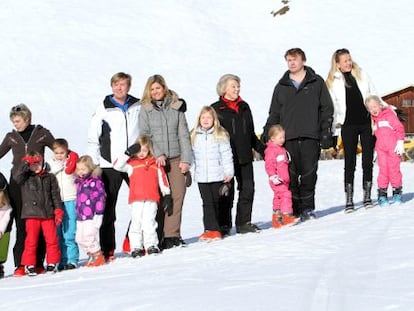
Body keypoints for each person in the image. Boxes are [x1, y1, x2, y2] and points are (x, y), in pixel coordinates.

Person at [262, 48, 334, 221]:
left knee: (309, 174)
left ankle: (308, 209)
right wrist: (267, 132)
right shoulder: (282, 86)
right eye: (289, 60)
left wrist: (325, 132)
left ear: (303, 60)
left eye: (295, 59)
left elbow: (326, 109)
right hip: (288, 138)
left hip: (311, 135)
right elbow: (274, 113)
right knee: (290, 176)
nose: (291, 63)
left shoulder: (316, 82)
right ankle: (292, 209)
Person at [87, 72, 140, 261]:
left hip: (133, 161)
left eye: (123, 85)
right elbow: (94, 138)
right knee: (108, 208)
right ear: (112, 87)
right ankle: (108, 249)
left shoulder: (137, 104)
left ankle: (132, 240)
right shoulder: (103, 108)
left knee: (142, 202)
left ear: (129, 86)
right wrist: (95, 165)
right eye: (116, 85)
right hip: (109, 164)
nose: (120, 88)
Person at [0, 104, 55, 276]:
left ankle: (38, 262)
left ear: (27, 119)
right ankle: (21, 264)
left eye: (18, 121)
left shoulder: (42, 133)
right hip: (17, 183)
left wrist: (49, 166)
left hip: (38, 183)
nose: (15, 124)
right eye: (13, 122)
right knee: (21, 223)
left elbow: (59, 150)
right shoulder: (11, 137)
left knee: (39, 221)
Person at [139, 74, 192, 249]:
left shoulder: (176, 107)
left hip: (176, 157)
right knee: (159, 198)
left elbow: (183, 134)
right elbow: (145, 135)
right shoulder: (145, 109)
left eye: (158, 88)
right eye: (152, 89)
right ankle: (157, 236)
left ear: (164, 88)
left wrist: (186, 159)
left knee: (178, 195)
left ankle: (172, 236)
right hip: (156, 161)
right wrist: (158, 153)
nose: (155, 92)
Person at [326, 48, 379, 213]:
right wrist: (333, 132)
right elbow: (332, 108)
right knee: (350, 162)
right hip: (348, 124)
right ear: (338, 64)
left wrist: (386, 110)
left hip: (365, 123)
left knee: (367, 160)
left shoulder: (361, 74)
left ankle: (367, 195)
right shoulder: (332, 82)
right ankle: (349, 199)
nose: (348, 63)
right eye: (345, 61)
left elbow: (374, 95)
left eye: (349, 59)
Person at [211, 74, 265, 234]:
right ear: (224, 88)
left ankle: (243, 223)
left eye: (238, 86)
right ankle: (224, 225)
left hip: (245, 156)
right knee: (226, 192)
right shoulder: (216, 109)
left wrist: (264, 150)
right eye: (233, 86)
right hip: (226, 159)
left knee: (248, 189)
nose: (237, 89)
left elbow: (251, 134)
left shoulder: (244, 106)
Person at [113, 136, 171, 257]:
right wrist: (127, 153)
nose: (141, 154)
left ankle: (151, 245)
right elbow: (117, 165)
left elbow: (163, 179)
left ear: (149, 150)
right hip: (136, 199)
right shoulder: (131, 165)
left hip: (152, 198)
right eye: (138, 151)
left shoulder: (155, 163)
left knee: (149, 222)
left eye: (144, 150)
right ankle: (136, 247)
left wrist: (167, 195)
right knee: (136, 223)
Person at [14, 152, 63, 276]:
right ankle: (29, 264)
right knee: (31, 240)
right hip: (32, 214)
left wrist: (58, 210)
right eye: (33, 164)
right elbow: (17, 177)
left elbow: (55, 195)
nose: (36, 167)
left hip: (48, 214)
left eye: (38, 163)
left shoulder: (50, 177)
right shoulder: (25, 178)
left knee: (52, 239)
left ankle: (52, 262)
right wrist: (26, 162)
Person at [190, 106, 234, 241]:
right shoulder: (194, 135)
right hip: (202, 176)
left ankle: (216, 229)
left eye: (209, 117)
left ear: (214, 119)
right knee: (207, 203)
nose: (206, 120)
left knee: (216, 202)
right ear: (199, 119)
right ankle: (209, 229)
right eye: (203, 117)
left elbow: (226, 155)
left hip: (217, 175)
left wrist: (228, 172)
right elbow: (191, 155)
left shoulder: (220, 134)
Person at [365, 95, 405, 206]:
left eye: (374, 106)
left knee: (394, 170)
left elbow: (399, 128)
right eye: (370, 108)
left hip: (393, 148)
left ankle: (397, 192)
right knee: (383, 172)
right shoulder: (373, 120)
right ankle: (382, 195)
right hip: (381, 150)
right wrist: (376, 151)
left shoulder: (389, 115)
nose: (373, 110)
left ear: (380, 105)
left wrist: (400, 141)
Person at [47, 138, 79, 270]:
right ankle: (61, 260)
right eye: (57, 153)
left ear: (67, 152)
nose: (59, 156)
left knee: (70, 231)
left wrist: (72, 159)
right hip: (56, 202)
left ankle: (72, 259)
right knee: (58, 232)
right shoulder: (50, 165)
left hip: (71, 199)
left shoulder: (71, 163)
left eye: (62, 153)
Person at [75, 155, 107, 267]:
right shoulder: (79, 182)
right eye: (78, 169)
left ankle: (98, 255)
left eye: (83, 169)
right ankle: (91, 253)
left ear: (90, 168)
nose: (80, 172)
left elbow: (100, 198)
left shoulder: (95, 181)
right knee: (79, 238)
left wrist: (99, 213)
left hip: (91, 215)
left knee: (89, 236)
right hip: (81, 215)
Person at [264, 124, 297, 228]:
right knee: (286, 194)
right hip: (276, 179)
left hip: (283, 179)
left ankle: (276, 218)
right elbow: (269, 165)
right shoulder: (271, 150)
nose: (283, 140)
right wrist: (273, 176)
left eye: (283, 137)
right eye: (280, 138)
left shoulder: (281, 149)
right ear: (273, 138)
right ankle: (286, 215)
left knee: (278, 197)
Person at [0, 173, 12, 278]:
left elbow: (7, 215)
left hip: (2, 230)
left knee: (1, 250)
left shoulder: (4, 203)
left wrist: (1, 230)